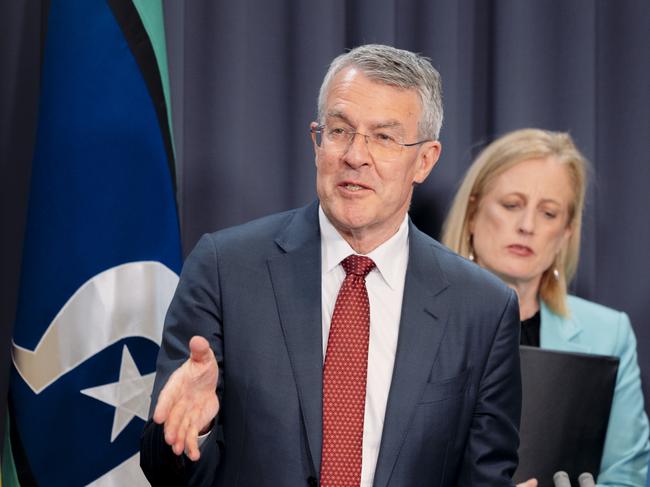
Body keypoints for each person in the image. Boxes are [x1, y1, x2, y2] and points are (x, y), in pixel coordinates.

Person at [141, 44, 523, 486]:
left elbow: (484, 475)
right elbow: (163, 471)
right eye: (340, 130)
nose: (355, 156)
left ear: (424, 160)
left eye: (383, 137)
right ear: (316, 142)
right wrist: (195, 432)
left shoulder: (482, 308)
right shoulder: (225, 270)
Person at [442, 128, 650, 486]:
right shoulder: (411, 319)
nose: (527, 226)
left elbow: (627, 476)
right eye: (511, 205)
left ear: (566, 233)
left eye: (549, 213)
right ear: (472, 213)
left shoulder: (609, 334)